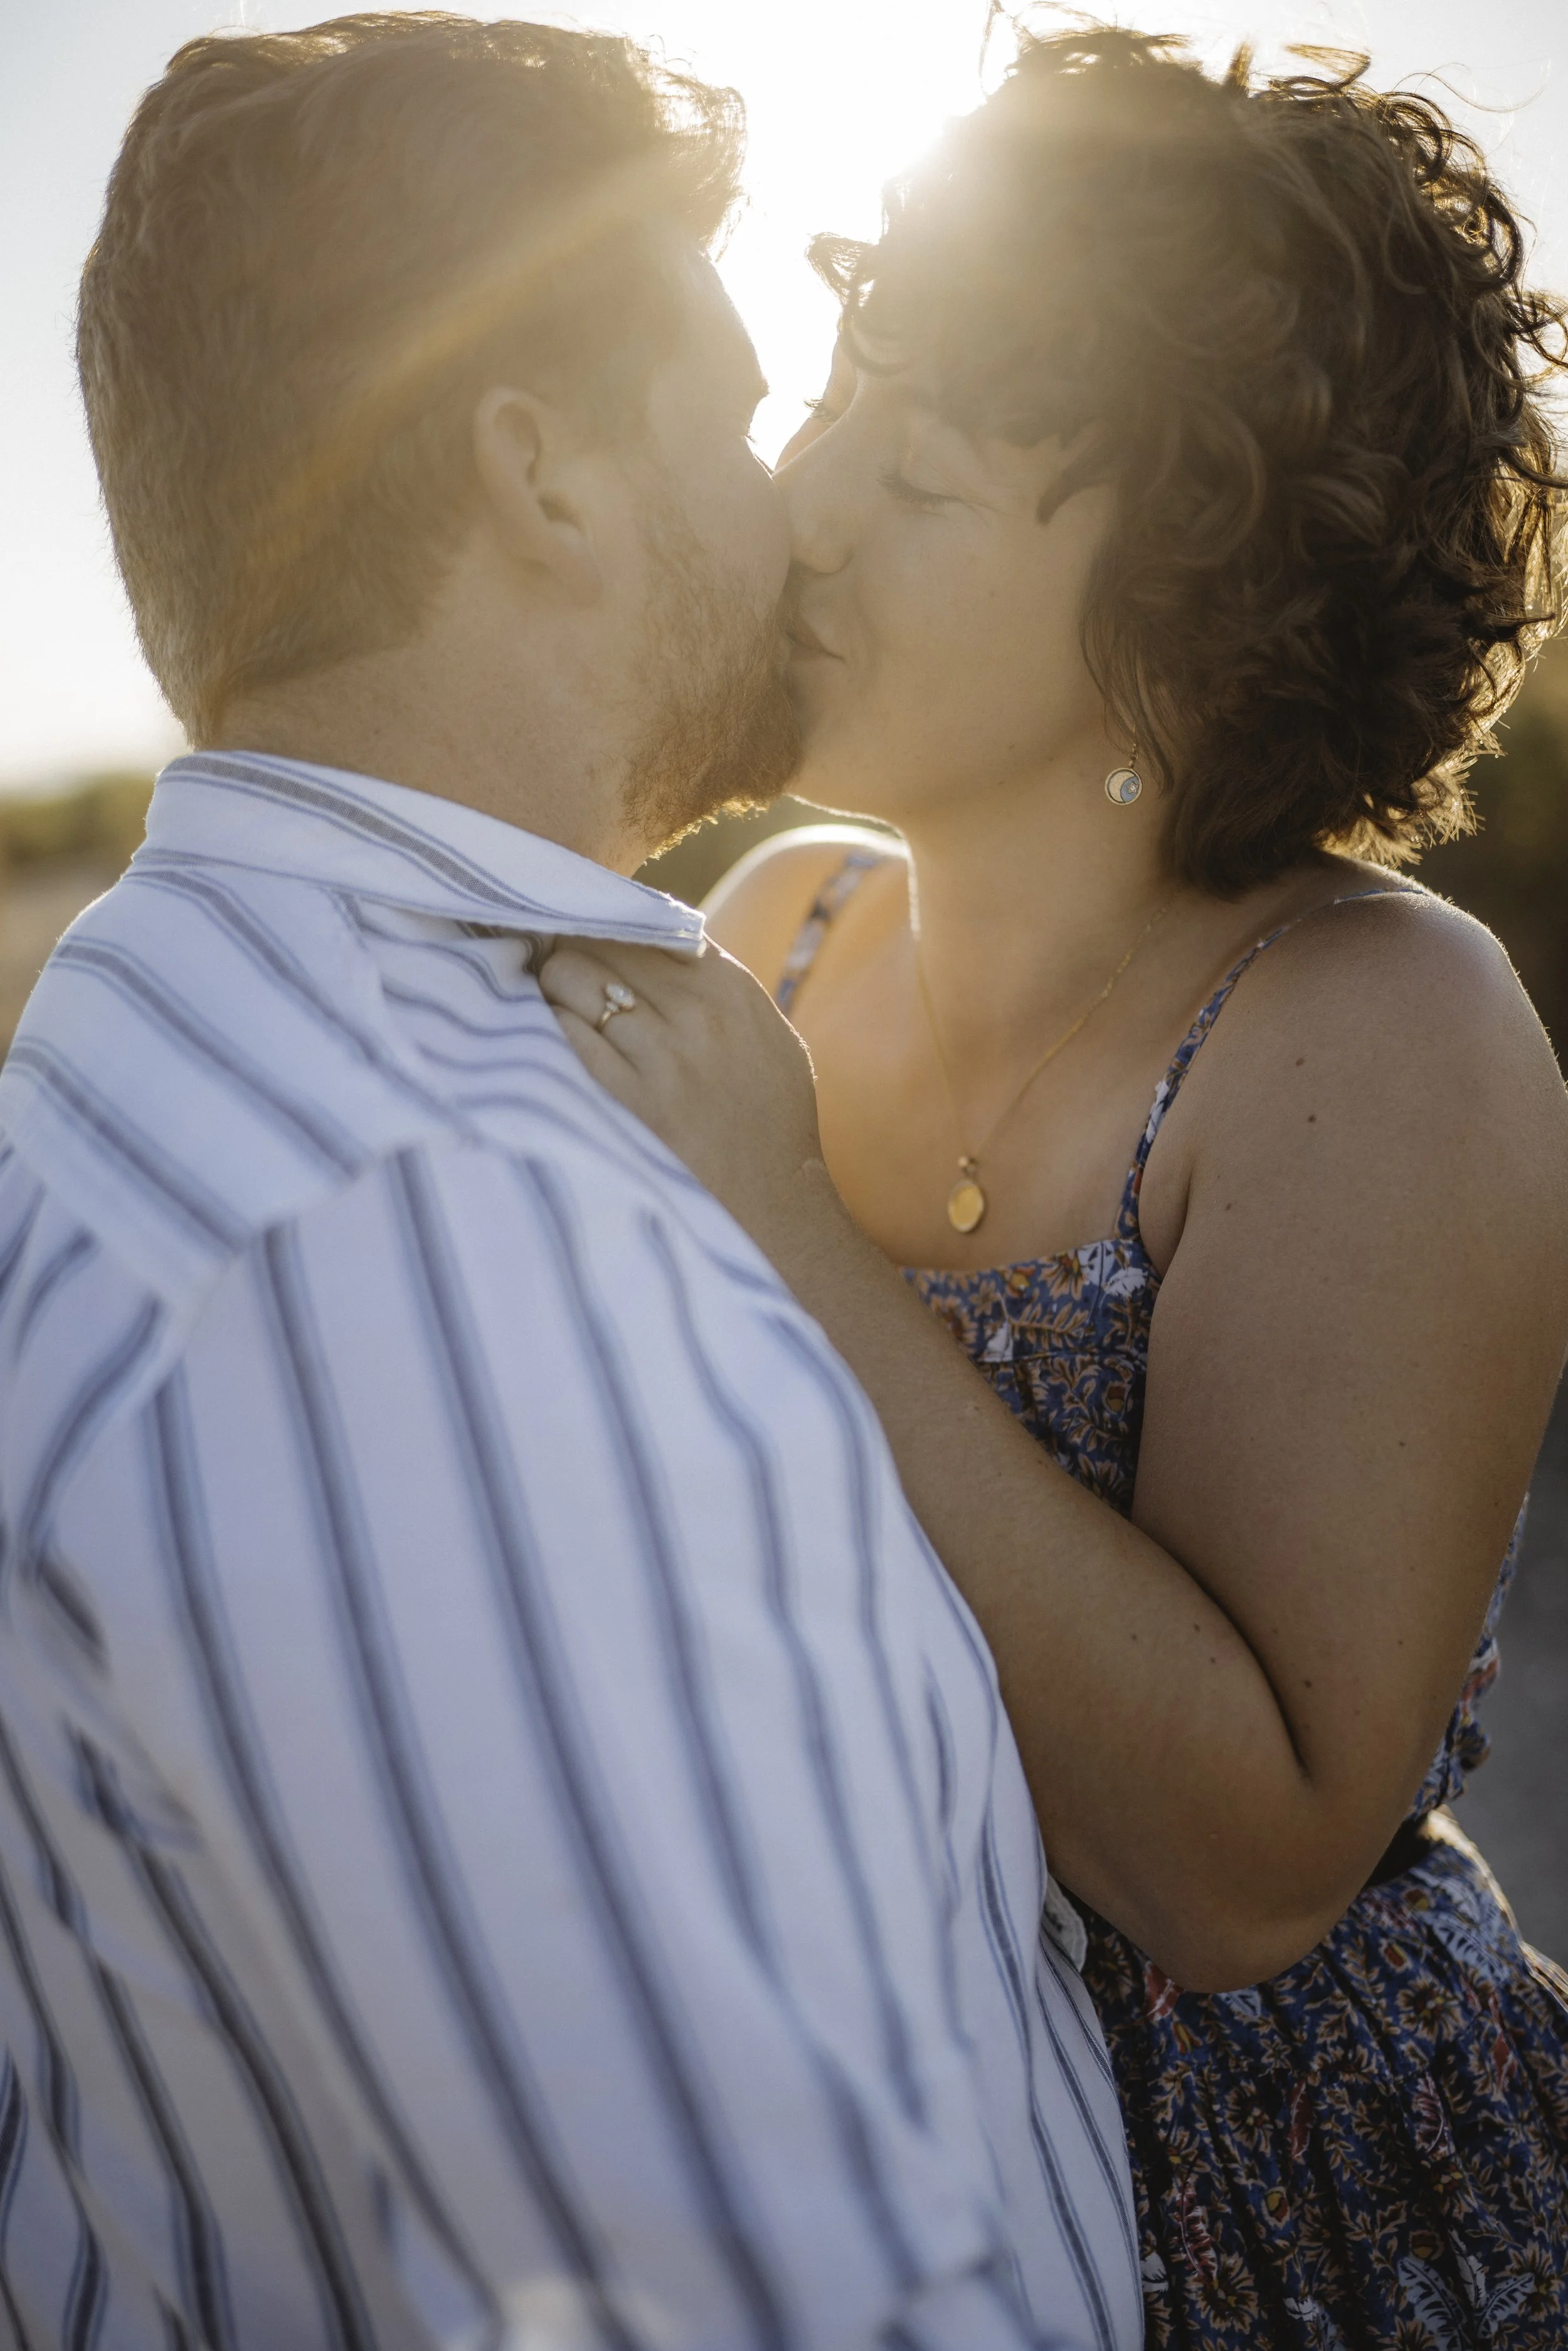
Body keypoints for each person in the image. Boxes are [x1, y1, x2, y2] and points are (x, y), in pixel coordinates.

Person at [0, 18, 1142, 2349]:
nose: (796, 503)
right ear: (543, 472)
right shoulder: (434, 1252)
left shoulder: (141, 1026)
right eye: (729, 418)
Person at [537, 28, 1568, 2350]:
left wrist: (789, 1231)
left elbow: (1248, 1858)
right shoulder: (773, 925)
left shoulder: (1376, 1033)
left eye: (916, 472)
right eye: (831, 407)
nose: (802, 505)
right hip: (826, 2161)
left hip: (1263, 2222)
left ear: (1190, 603)